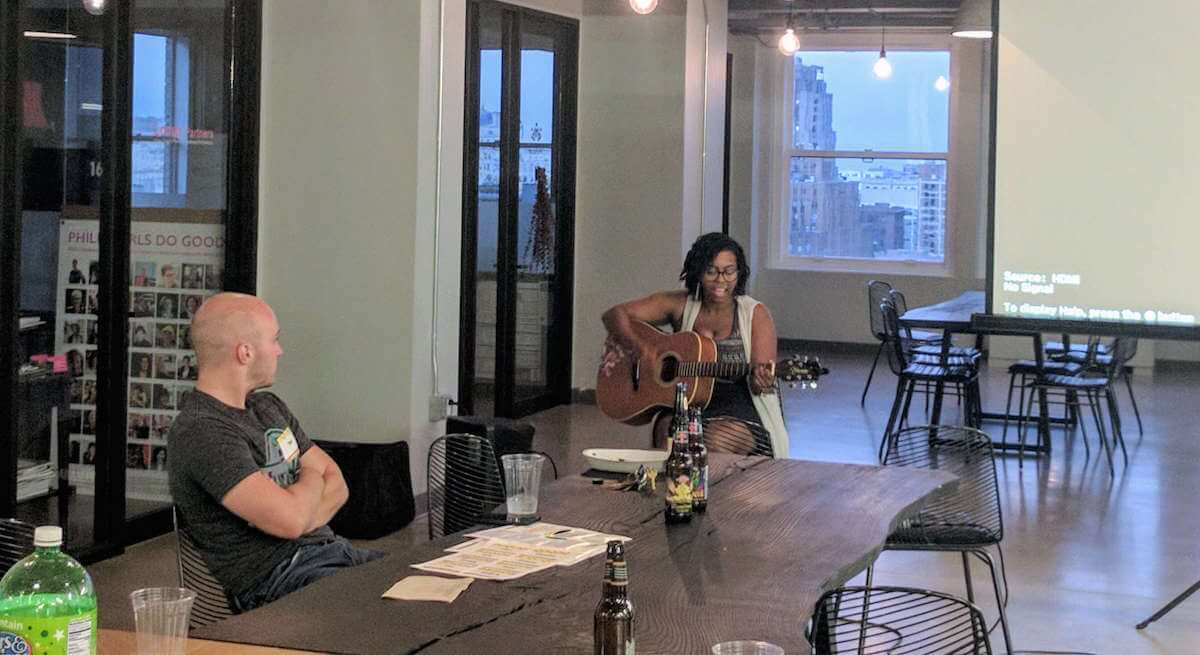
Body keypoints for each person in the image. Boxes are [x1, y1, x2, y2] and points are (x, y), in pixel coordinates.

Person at [168, 292, 382, 613]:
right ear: (245, 352)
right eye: (274, 339)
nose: (280, 350)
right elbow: (294, 516)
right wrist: (309, 475)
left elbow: (337, 483)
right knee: (402, 611)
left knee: (435, 579)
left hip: (333, 552)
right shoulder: (202, 430)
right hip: (279, 579)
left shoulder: (267, 406)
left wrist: (299, 510)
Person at [602, 232, 790, 458]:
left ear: (739, 273)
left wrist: (764, 380)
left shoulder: (755, 314)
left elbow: (761, 382)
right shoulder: (679, 304)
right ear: (698, 272)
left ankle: (713, 492)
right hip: (686, 402)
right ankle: (677, 491)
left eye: (729, 271)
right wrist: (636, 346)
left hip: (740, 407)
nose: (721, 280)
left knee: (716, 439)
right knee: (669, 436)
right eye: (711, 271)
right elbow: (615, 314)